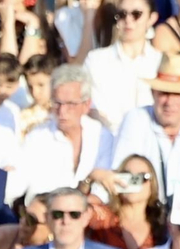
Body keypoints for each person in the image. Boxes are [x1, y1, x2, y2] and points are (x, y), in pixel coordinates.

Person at [110, 54, 180, 195]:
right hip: (146, 211)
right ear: (153, 93)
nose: (169, 102)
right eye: (164, 93)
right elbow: (120, 177)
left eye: (178, 94)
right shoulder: (136, 119)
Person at [14, 64, 117, 196]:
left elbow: (104, 189)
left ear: (86, 105)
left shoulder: (102, 136)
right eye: (57, 103)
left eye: (70, 104)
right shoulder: (36, 138)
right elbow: (28, 187)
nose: (62, 111)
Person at [83, 0, 164, 132]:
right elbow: (90, 106)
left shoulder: (161, 62)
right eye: (122, 14)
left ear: (152, 18)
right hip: (106, 139)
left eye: (136, 14)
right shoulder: (96, 60)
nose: (128, 20)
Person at [89, 154, 167, 249]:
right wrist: (92, 176)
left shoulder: (162, 226)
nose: (133, 183)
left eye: (142, 177)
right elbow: (69, 208)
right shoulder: (100, 216)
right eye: (126, 176)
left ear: (152, 185)